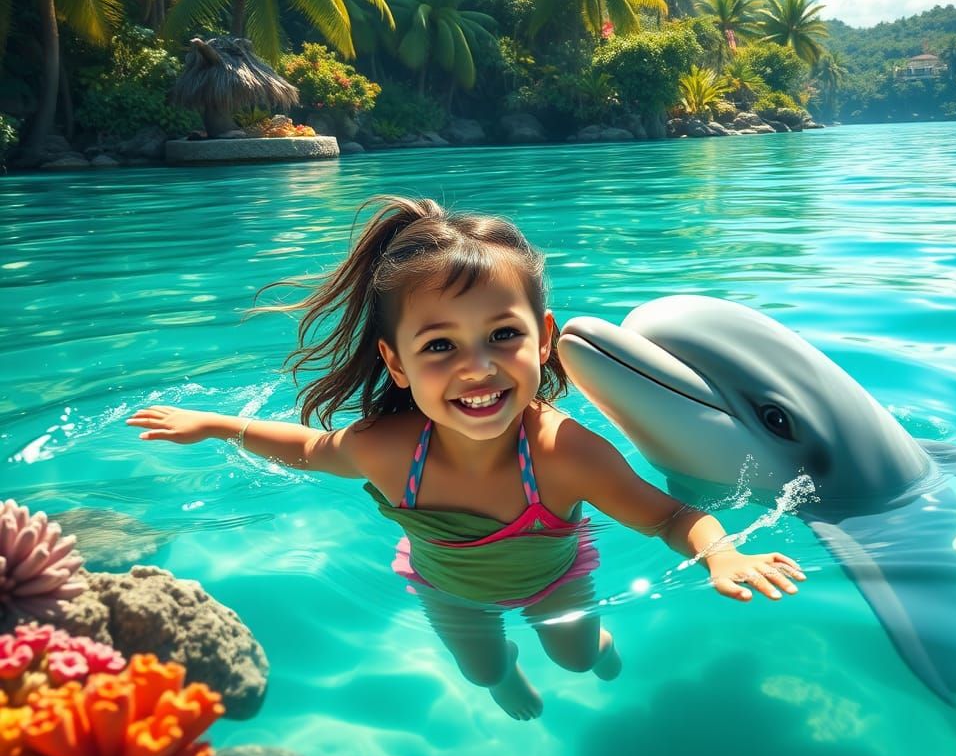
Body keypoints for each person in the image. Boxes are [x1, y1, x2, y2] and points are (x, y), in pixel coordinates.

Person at [127, 196, 805, 721]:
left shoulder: (565, 455)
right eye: (440, 347)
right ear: (395, 362)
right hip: (448, 587)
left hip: (555, 582)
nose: (477, 370)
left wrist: (722, 553)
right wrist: (219, 425)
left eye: (502, 335)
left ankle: (590, 649)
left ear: (542, 340)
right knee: (482, 674)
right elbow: (307, 449)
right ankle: (505, 670)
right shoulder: (391, 452)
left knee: (575, 659)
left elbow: (668, 515)